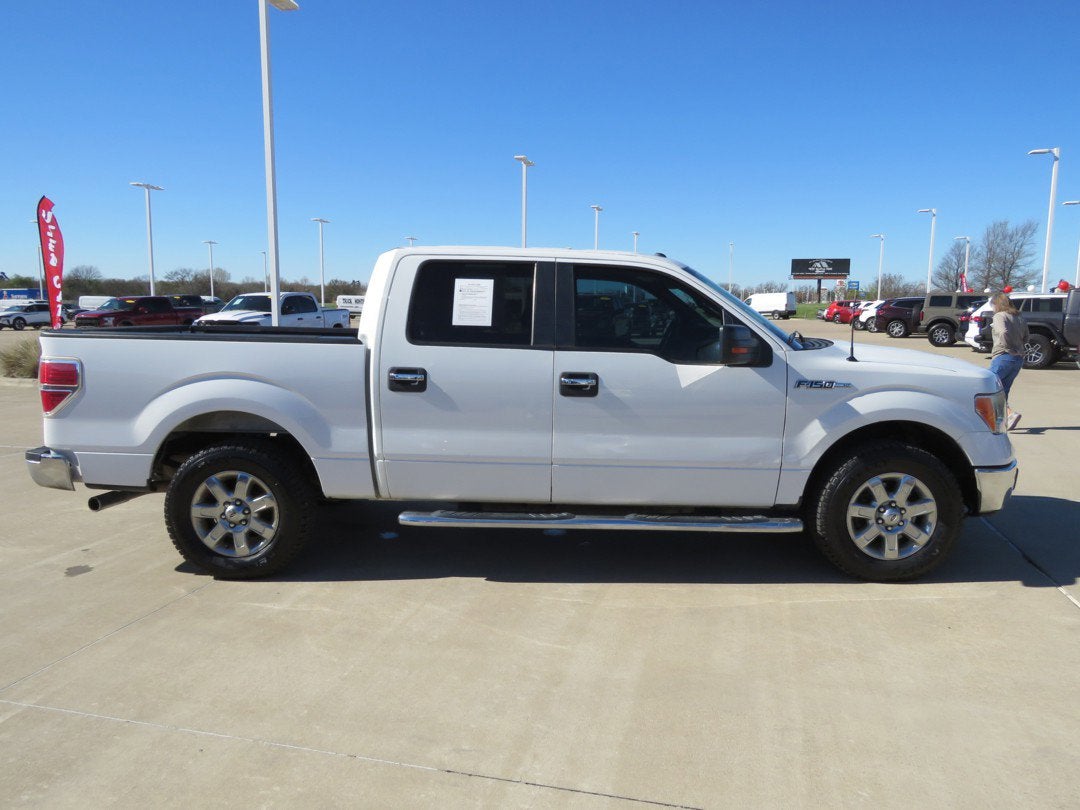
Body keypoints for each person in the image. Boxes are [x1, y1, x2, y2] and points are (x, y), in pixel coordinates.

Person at [988, 292, 1028, 430]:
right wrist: (1019, 348)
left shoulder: (999, 316)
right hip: (1018, 359)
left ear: (997, 304)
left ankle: (1009, 414)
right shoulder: (1019, 317)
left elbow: (1003, 332)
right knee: (1003, 390)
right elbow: (1027, 336)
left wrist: (1008, 347)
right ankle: (1001, 420)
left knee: (989, 387)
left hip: (1003, 356)